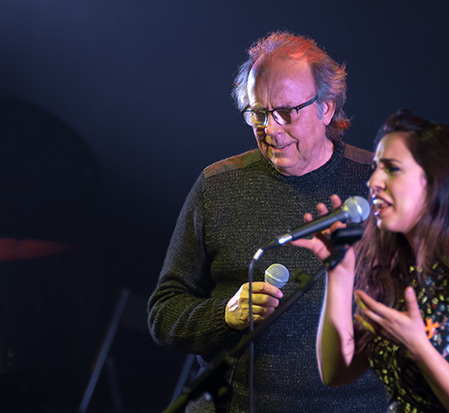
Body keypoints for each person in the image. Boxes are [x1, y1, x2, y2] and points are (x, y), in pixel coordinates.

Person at [147, 31, 387, 412]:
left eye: (287, 112)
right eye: (258, 113)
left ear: (326, 108)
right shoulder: (219, 185)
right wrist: (225, 315)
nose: (271, 129)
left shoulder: (378, 183)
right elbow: (163, 315)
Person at [293, 109, 449, 412]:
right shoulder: (401, 274)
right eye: (376, 168)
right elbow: (336, 371)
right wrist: (339, 273)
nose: (375, 182)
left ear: (436, 183)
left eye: (392, 169)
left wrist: (421, 349)